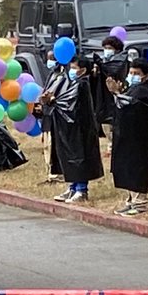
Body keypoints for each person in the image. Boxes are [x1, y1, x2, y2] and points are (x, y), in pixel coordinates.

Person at [40, 54, 104, 203]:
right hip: (70, 127)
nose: (71, 70)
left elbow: (70, 103)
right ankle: (72, 187)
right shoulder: (72, 83)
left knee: (79, 157)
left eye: (74, 68)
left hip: (81, 128)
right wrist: (51, 101)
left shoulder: (82, 84)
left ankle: (81, 189)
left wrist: (53, 100)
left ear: (82, 70)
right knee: (69, 157)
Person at [110, 58, 148, 216]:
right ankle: (130, 200)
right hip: (129, 136)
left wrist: (116, 93)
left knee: (137, 169)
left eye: (136, 73)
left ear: (145, 76)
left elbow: (130, 106)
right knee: (128, 169)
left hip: (139, 138)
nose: (132, 76)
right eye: (131, 72)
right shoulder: (132, 88)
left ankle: (140, 203)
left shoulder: (142, 91)